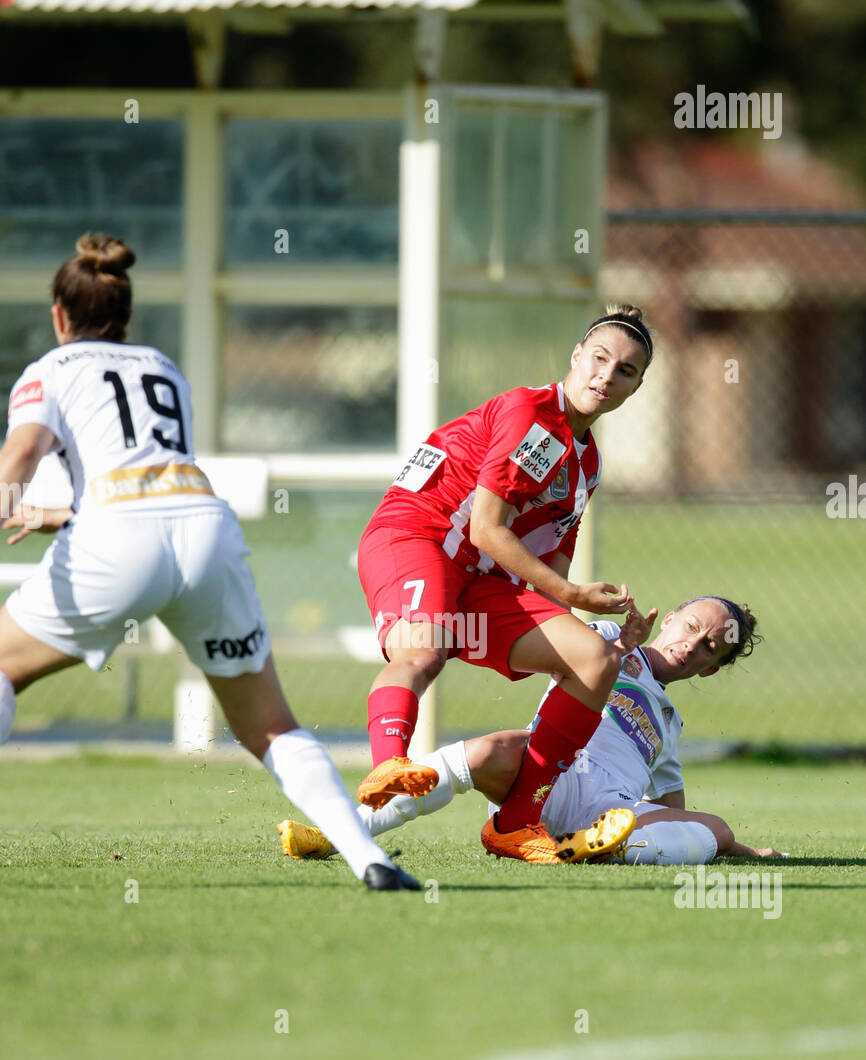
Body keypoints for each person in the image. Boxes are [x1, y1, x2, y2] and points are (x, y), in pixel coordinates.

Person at [0, 232, 418, 892]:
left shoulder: (48, 371)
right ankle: (372, 860)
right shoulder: (164, 369)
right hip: (203, 531)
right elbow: (152, 481)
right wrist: (63, 515)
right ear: (125, 313)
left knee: (3, 667)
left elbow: (24, 451)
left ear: (58, 316)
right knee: (271, 725)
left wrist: (8, 494)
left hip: (118, 539)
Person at [355, 303, 658, 862]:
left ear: (636, 387)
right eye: (599, 358)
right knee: (423, 654)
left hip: (479, 574)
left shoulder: (587, 463)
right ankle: (389, 764)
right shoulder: (530, 412)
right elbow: (486, 528)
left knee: (595, 662)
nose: (606, 376)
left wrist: (603, 627)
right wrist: (569, 596)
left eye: (625, 371)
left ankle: (518, 822)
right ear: (575, 356)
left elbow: (552, 574)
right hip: (416, 537)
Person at [279, 596, 787, 865]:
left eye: (708, 648)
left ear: (710, 669)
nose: (692, 644)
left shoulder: (670, 725)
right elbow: (562, 643)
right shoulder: (609, 637)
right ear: (670, 617)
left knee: (716, 829)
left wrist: (732, 846)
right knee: (490, 750)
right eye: (691, 626)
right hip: (545, 776)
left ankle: (594, 848)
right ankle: (336, 834)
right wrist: (616, 647)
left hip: (609, 810)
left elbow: (673, 815)